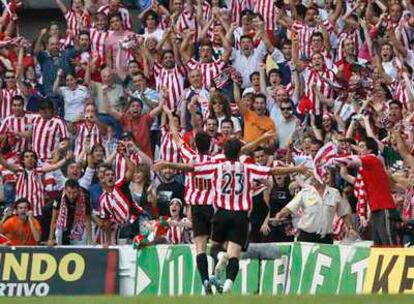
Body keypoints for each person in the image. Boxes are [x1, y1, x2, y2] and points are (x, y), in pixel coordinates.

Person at [153, 138, 308, 293]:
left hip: (222, 214)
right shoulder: (247, 168)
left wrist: (167, 164)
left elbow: (191, 168)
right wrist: (297, 168)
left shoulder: (217, 166)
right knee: (235, 254)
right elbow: (272, 171)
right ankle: (228, 284)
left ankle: (220, 256)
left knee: (214, 247)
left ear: (225, 153)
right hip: (240, 216)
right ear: (240, 152)